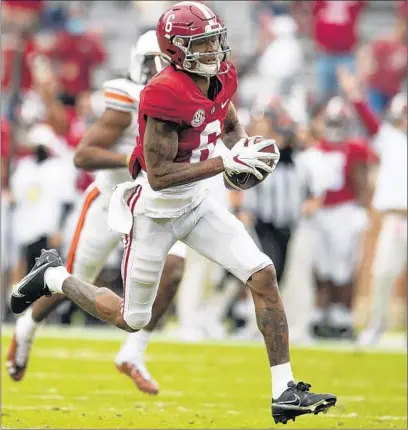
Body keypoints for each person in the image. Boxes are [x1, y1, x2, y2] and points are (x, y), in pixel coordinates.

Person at [10, 2, 336, 424]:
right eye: (202, 43)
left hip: (198, 202)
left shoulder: (220, 75)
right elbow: (160, 174)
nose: (215, 50)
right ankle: (53, 276)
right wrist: (224, 164)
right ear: (177, 50)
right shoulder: (162, 92)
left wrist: (241, 147)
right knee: (131, 318)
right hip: (154, 212)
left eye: (215, 39)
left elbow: (227, 114)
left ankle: (284, 390)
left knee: (262, 273)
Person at [6, 30, 187, 396]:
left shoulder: (184, 99)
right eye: (159, 61)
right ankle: (27, 326)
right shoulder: (128, 98)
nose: (166, 68)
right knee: (72, 281)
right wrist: (133, 161)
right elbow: (83, 155)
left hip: (152, 204)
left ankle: (133, 353)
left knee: (174, 269)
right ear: (142, 64)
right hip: (109, 200)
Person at [337, 67, 407, 346]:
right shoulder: (390, 137)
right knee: (382, 273)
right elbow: (368, 120)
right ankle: (375, 327)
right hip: (396, 219)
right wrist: (354, 92)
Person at [310, 96, 377, 339]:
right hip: (321, 213)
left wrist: (362, 208)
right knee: (321, 267)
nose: (335, 128)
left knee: (344, 267)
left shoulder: (355, 148)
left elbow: (364, 179)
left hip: (345, 211)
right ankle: (321, 312)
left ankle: (343, 315)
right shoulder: (316, 148)